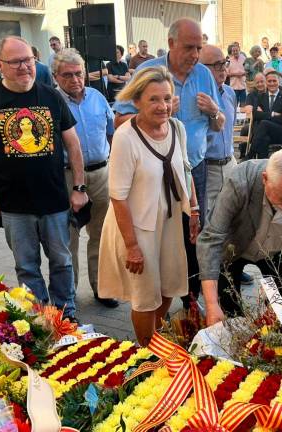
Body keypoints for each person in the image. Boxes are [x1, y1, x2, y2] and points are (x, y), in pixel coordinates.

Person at [0, 35, 88, 320]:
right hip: (12, 203)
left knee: (62, 262)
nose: (24, 67)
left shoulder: (50, 95)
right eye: (16, 61)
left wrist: (79, 187)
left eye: (28, 60)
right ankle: (38, 319)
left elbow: (73, 145)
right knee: (27, 266)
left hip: (54, 200)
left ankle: (64, 316)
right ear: (0, 65)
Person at [98, 67, 198, 346]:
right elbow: (118, 196)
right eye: (154, 99)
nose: (163, 106)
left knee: (169, 286)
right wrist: (131, 246)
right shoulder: (125, 137)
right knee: (144, 296)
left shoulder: (178, 129)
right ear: (137, 100)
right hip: (137, 227)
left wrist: (194, 210)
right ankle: (147, 351)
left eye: (167, 98)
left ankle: (155, 336)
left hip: (170, 223)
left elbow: (186, 172)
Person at [113, 18, 223, 226]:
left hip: (194, 169)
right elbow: (120, 121)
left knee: (196, 234)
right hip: (156, 169)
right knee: (162, 232)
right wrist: (158, 112)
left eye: (199, 48)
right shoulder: (147, 71)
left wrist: (214, 111)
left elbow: (219, 125)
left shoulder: (204, 74)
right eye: (189, 47)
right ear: (171, 43)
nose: (195, 55)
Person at [197, 149, 282, 323]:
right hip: (234, 248)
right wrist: (211, 305)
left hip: (278, 253)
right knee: (228, 316)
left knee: (281, 318)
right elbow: (211, 239)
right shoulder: (239, 182)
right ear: (265, 179)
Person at [52, 48, 119, 309]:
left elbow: (112, 131)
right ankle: (69, 295)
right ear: (56, 77)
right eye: (67, 75)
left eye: (78, 73)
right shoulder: (52, 102)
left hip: (101, 173)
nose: (74, 79)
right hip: (67, 177)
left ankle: (102, 288)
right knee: (68, 239)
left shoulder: (98, 98)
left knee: (101, 235)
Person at [200, 45, 237, 220]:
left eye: (224, 63)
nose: (223, 68)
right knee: (208, 220)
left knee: (232, 217)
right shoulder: (198, 97)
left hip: (230, 164)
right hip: (208, 168)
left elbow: (229, 131)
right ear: (201, 68)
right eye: (217, 65)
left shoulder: (230, 93)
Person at [248, 69, 282, 159]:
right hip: (264, 133)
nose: (272, 83)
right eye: (269, 81)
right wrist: (272, 114)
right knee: (264, 139)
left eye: (274, 81)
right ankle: (262, 167)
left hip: (279, 132)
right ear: (266, 83)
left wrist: (264, 115)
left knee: (264, 123)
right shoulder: (261, 97)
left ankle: (250, 154)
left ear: (279, 82)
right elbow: (255, 115)